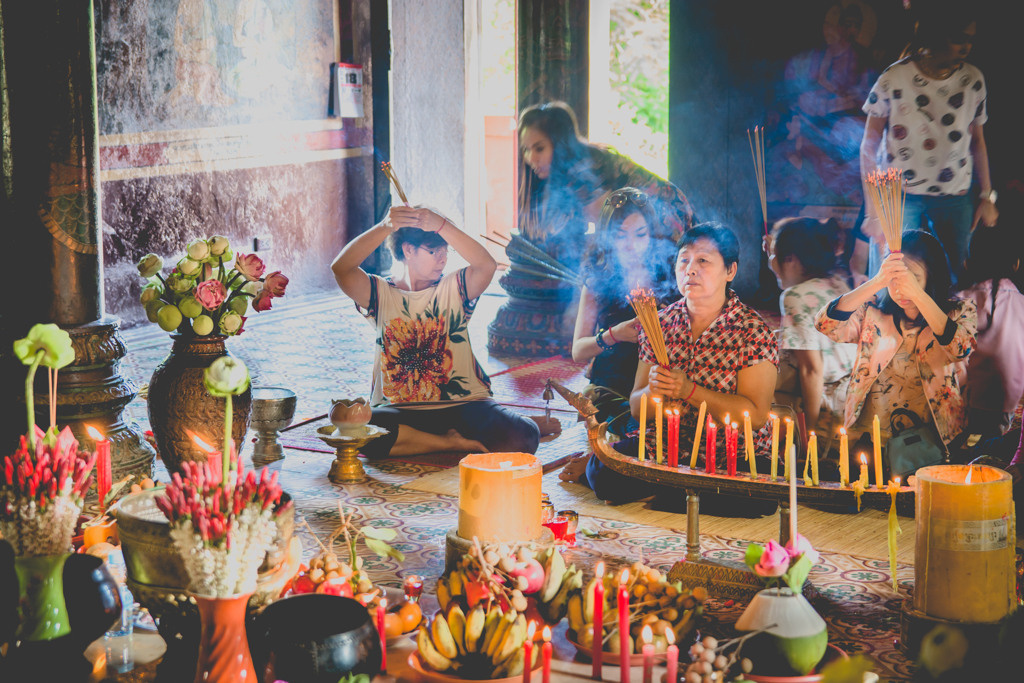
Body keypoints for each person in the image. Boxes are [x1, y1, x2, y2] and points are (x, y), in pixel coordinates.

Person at [578, 224, 779, 505]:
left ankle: (674, 490)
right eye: (684, 260)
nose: (690, 269)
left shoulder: (752, 331)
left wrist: (689, 391)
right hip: (666, 446)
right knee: (602, 473)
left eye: (703, 261)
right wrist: (654, 391)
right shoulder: (659, 324)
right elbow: (637, 407)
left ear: (730, 271)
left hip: (732, 451)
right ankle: (684, 493)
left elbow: (755, 416)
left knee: (754, 494)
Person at [331, 206, 540, 458]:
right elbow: (341, 268)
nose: (442, 259)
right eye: (433, 251)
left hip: (463, 406)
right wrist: (386, 226)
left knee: (524, 437)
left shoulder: (455, 286)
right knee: (361, 433)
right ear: (408, 250)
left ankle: (426, 440)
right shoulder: (379, 292)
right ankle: (449, 443)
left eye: (445, 251)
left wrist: (442, 225)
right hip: (400, 410)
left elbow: (486, 265)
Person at [815, 229, 977, 474]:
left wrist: (918, 295)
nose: (902, 289)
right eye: (895, 280)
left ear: (932, 276)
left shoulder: (959, 311)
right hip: (870, 435)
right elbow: (825, 324)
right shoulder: (872, 313)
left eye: (913, 278)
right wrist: (877, 281)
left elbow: (960, 348)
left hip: (929, 439)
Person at [859, 2, 996, 284]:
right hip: (900, 195)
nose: (966, 47)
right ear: (936, 35)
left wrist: (987, 196)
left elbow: (978, 142)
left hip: (954, 194)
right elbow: (867, 147)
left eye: (970, 39)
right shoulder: (894, 78)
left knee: (958, 279)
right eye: (959, 38)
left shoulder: (973, 80)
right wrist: (873, 213)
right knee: (889, 277)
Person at [570, 187, 679, 437]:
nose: (631, 246)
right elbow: (578, 350)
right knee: (642, 431)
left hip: (659, 388)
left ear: (652, 234)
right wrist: (614, 334)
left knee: (676, 426)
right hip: (612, 389)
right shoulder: (598, 281)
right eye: (620, 236)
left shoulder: (670, 275)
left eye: (640, 235)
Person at [517, 101, 694, 254]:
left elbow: (606, 232)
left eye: (539, 148)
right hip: (646, 229)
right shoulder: (572, 167)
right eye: (526, 149)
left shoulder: (582, 169)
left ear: (560, 145)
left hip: (670, 221)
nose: (531, 158)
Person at [768, 217, 856, 445]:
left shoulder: (794, 297)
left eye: (774, 256)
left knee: (763, 381)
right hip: (853, 389)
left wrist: (810, 430)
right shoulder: (837, 282)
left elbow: (812, 369)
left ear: (791, 260)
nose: (771, 263)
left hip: (828, 397)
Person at [956, 223, 1024, 444]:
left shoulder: (960, 300)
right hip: (1009, 406)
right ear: (1016, 264)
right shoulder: (1021, 302)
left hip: (967, 403)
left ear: (968, 264)